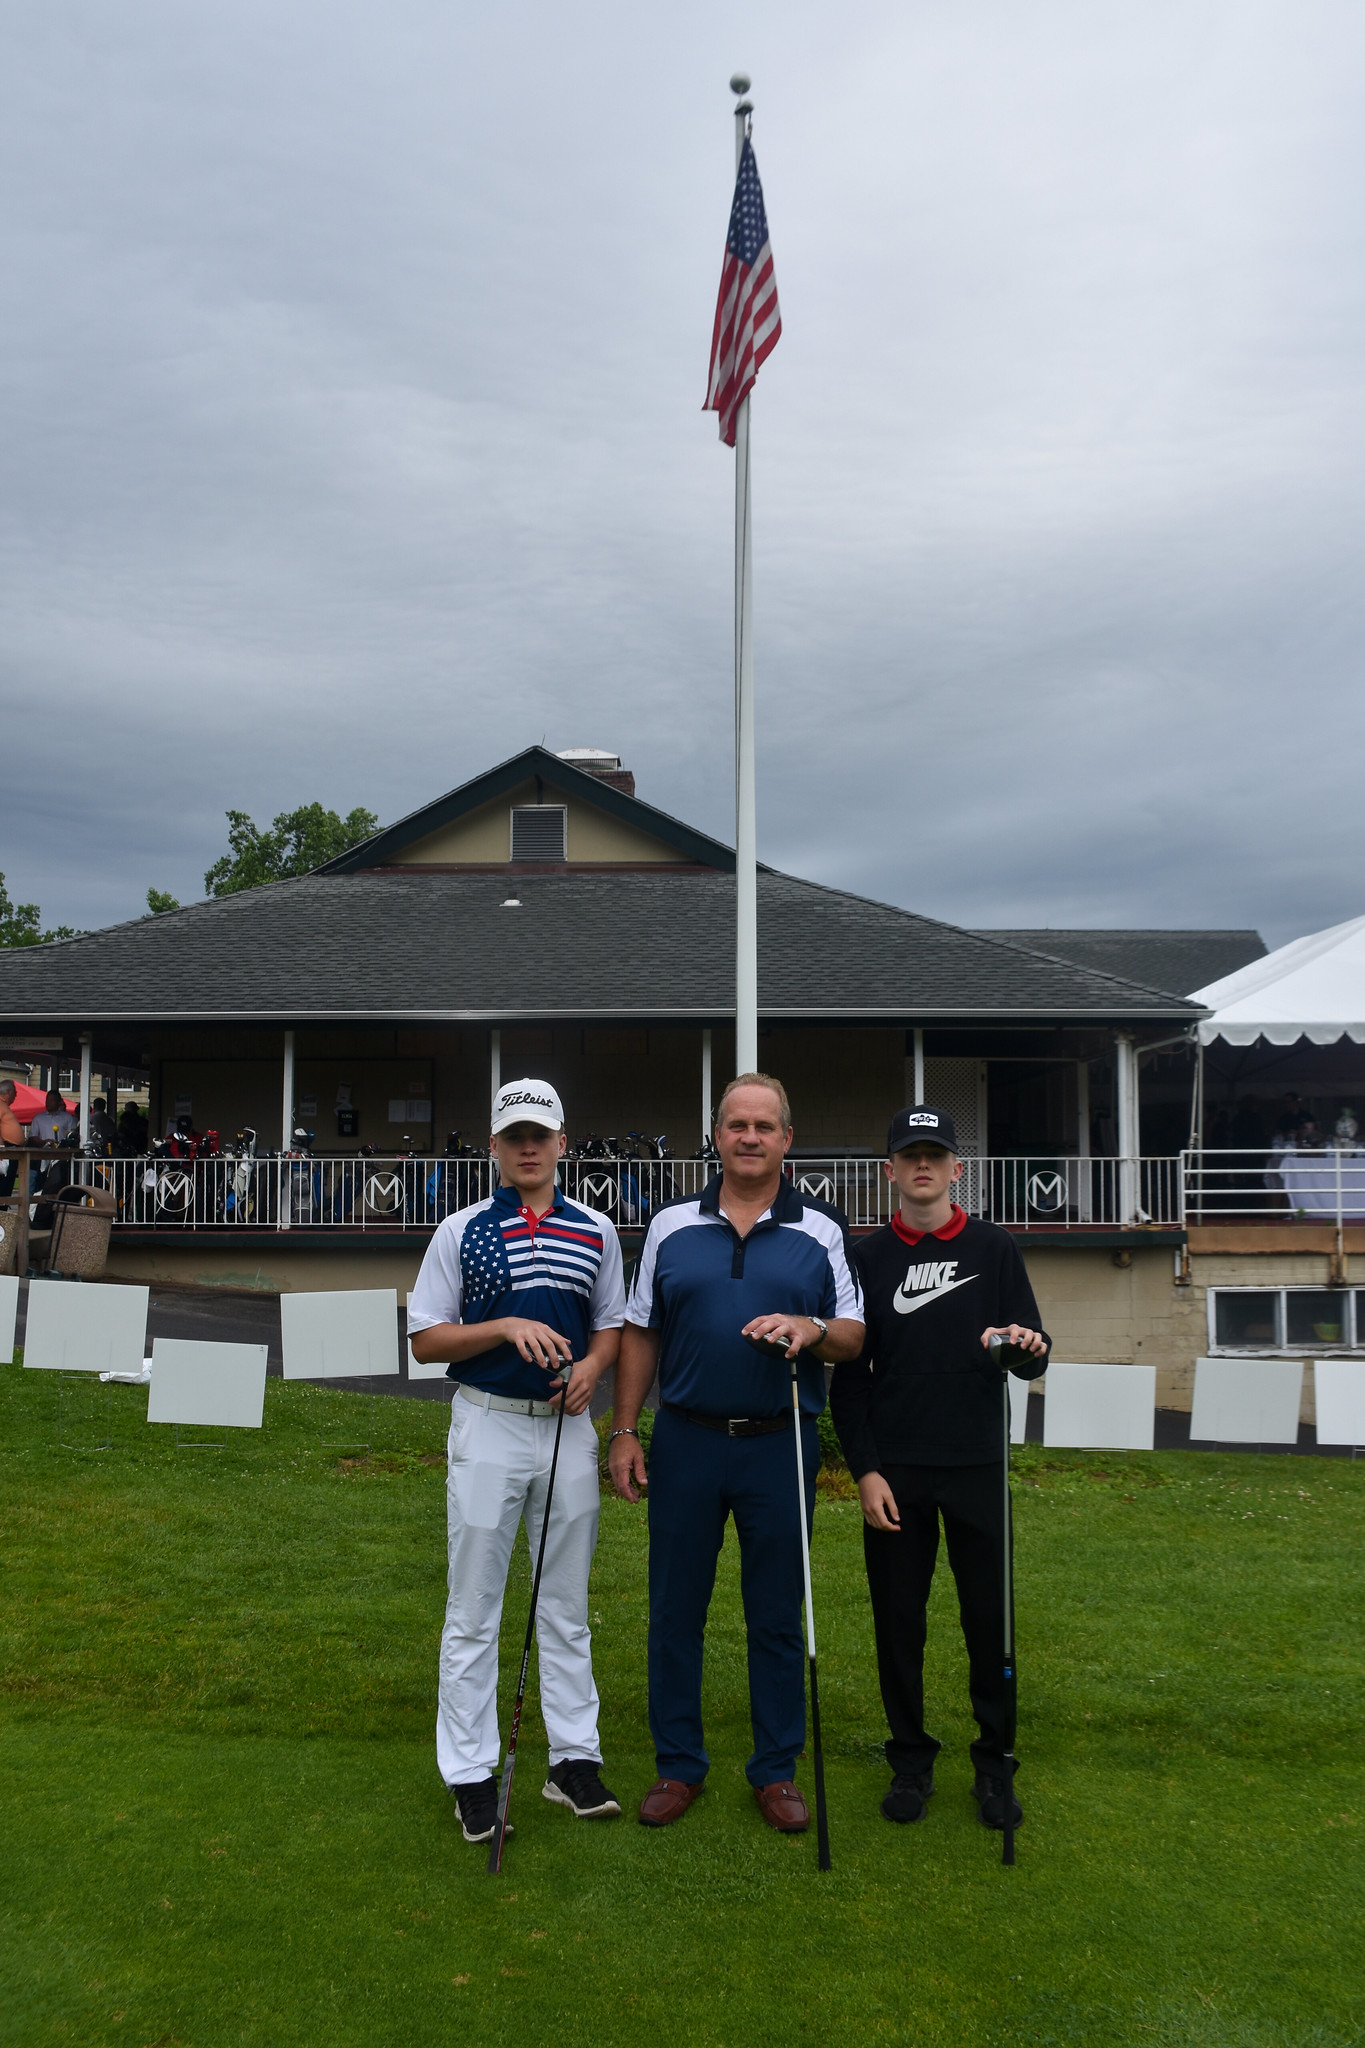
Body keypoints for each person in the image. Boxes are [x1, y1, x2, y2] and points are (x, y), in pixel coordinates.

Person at [609, 1073, 864, 1834]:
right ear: (716, 1135)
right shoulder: (669, 1225)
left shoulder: (820, 1228)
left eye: (764, 1126)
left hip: (777, 1445)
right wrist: (624, 1429)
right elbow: (641, 1329)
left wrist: (813, 1328)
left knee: (776, 1614)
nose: (749, 1137)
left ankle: (776, 1769)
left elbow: (854, 1334)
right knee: (674, 1610)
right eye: (735, 1124)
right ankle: (678, 1764)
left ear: (787, 1139)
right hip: (686, 1439)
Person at [407, 1078, 627, 1846]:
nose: (528, 1148)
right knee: (474, 1605)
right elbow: (426, 1339)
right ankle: (470, 1773)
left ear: (562, 1143)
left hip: (567, 1429)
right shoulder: (460, 1229)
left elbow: (610, 1325)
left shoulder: (596, 1229)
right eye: (514, 1137)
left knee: (563, 1602)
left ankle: (573, 1761)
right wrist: (502, 1327)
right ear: (494, 1147)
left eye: (540, 1135)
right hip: (489, 1424)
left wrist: (593, 1369)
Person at [829, 1105, 1050, 1834]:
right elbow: (850, 1380)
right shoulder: (866, 1258)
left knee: (989, 1622)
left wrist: (1025, 1347)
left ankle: (994, 1763)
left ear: (957, 1167)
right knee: (899, 1624)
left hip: (976, 1463)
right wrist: (865, 1471)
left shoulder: (993, 1246)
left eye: (934, 1154)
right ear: (890, 1170)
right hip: (897, 1473)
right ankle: (909, 1761)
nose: (922, 1165)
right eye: (908, 1155)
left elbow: (1031, 1353)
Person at [0, 1079, 23, 1202]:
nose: (16, 1095)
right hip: (5, 1149)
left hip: (11, 1149)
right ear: (8, 1092)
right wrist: (1, 1147)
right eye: (15, 1092)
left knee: (8, 1184)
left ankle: (3, 1209)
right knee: (3, 1184)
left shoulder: (4, 1106)